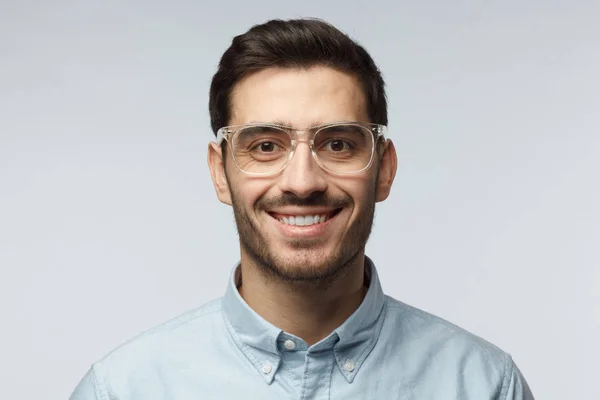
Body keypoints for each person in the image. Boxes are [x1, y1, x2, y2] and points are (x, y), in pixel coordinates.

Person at [70, 18, 534, 399]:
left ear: (384, 168)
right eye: (266, 145)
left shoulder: (483, 385)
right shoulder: (124, 390)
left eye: (337, 144)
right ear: (220, 172)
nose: (303, 182)